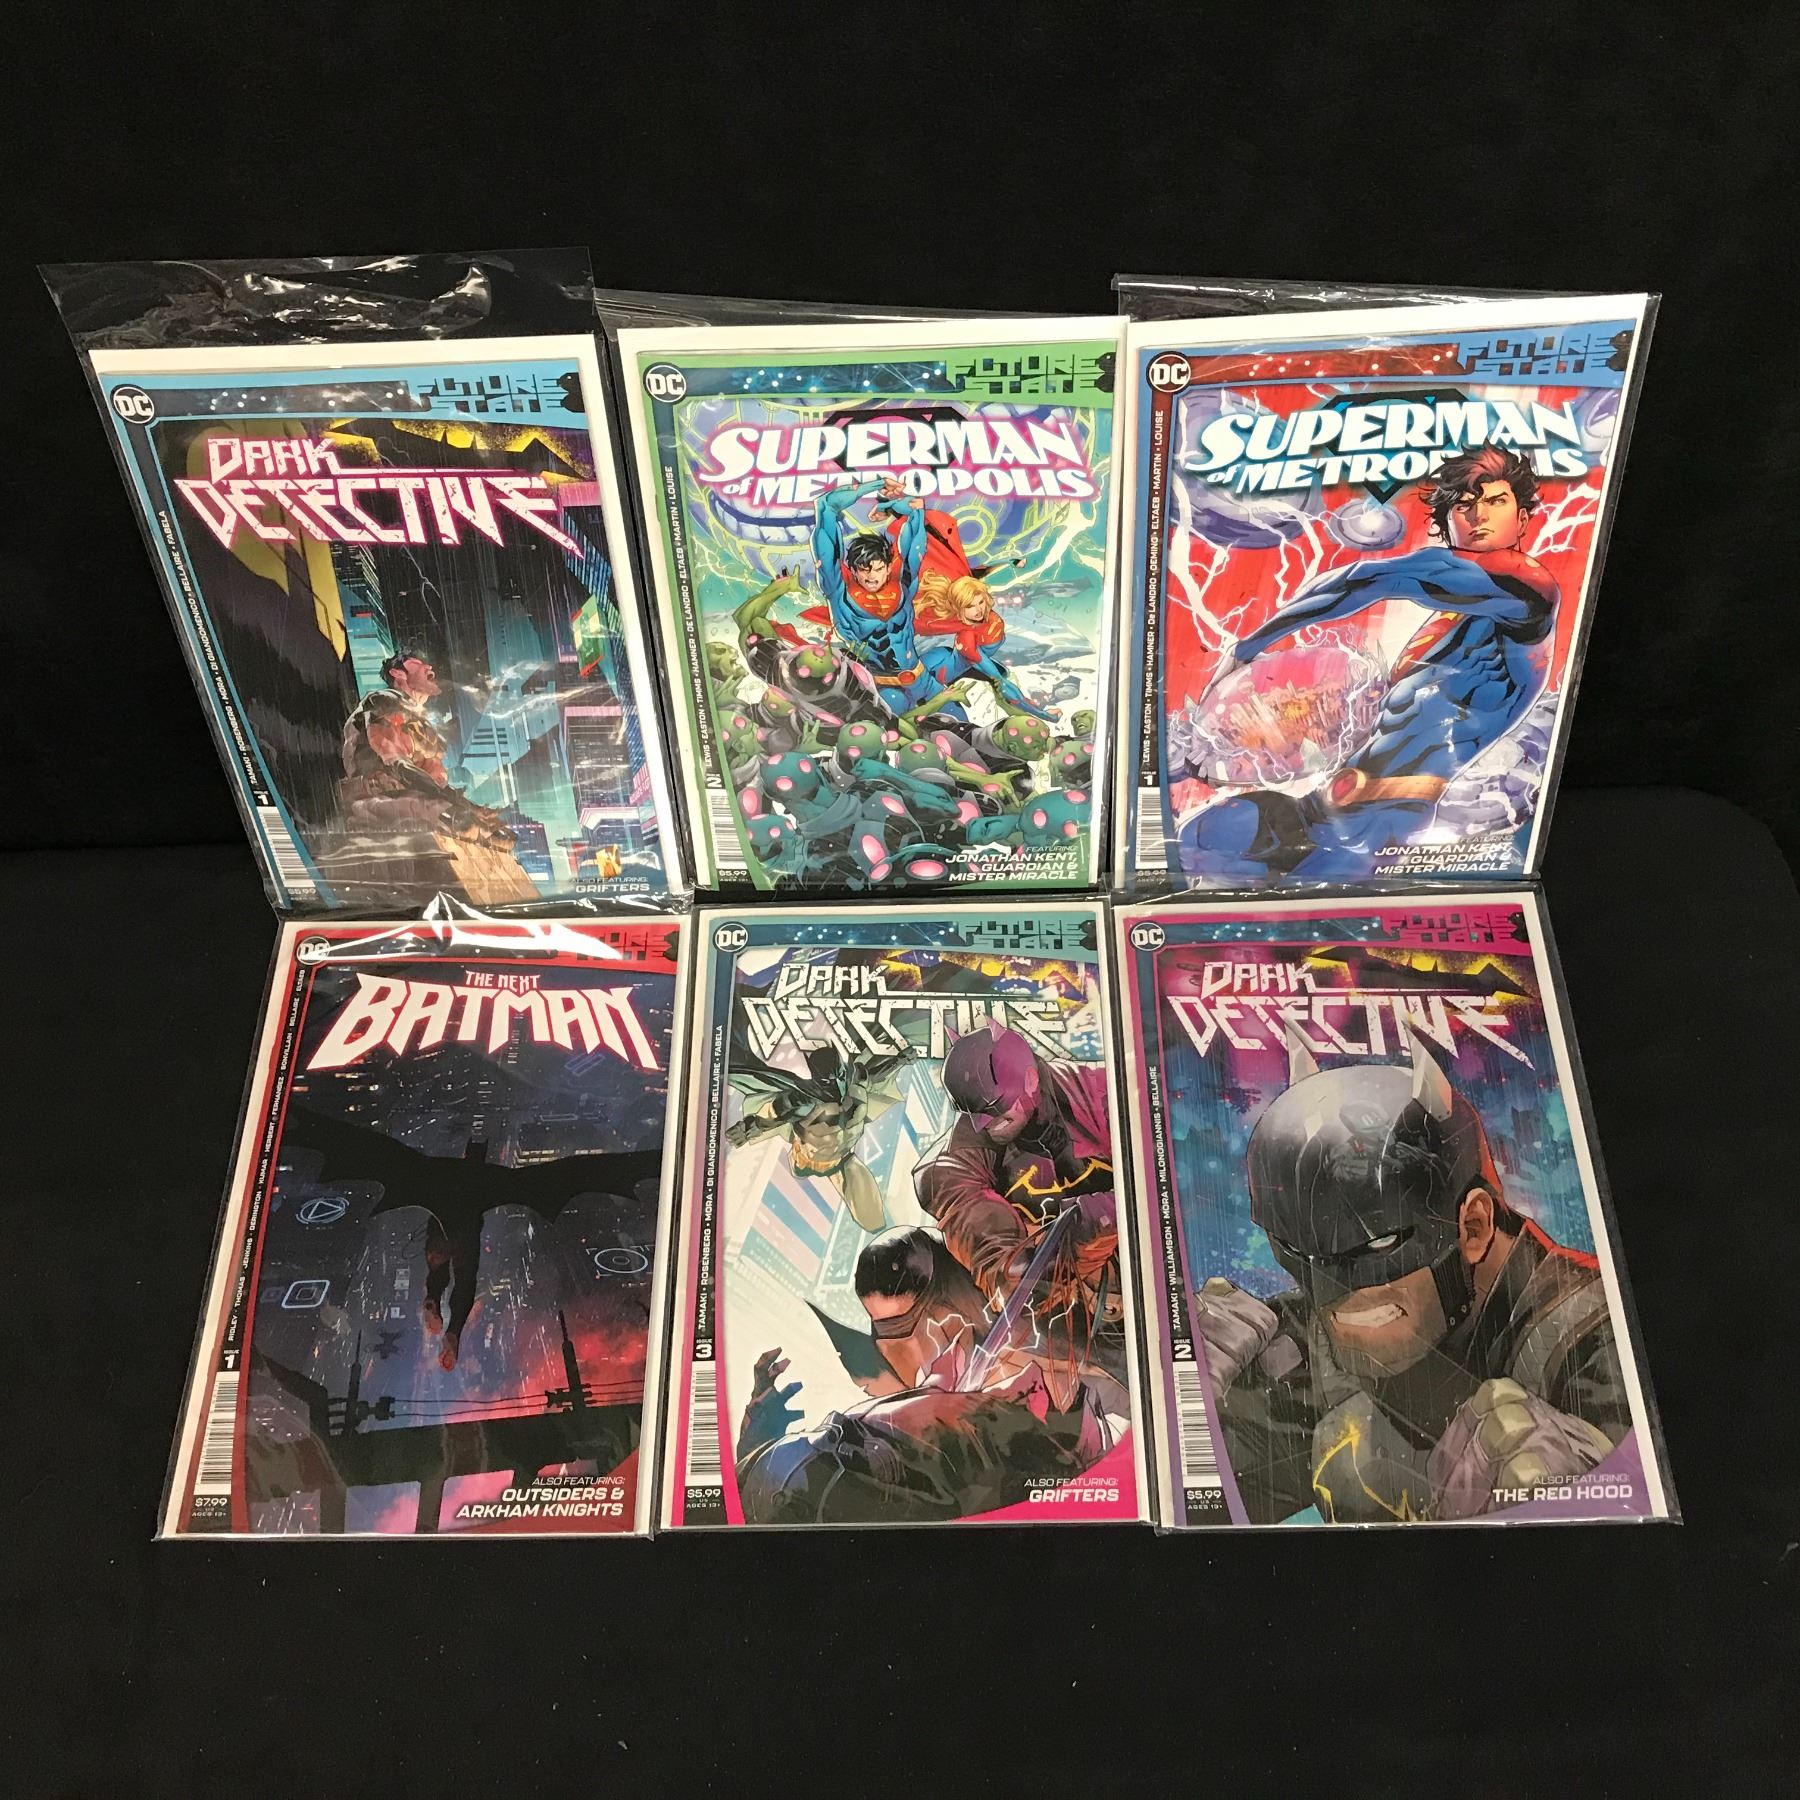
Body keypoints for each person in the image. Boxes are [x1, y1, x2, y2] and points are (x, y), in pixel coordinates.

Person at [1195, 1029, 1631, 1523]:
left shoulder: (1596, 1337)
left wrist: (1582, 1491)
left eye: (1379, 1246)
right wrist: (1177, 1414)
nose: (1334, 1295)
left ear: (1473, 1227)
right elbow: (1214, 1500)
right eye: (1297, 1252)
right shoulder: (1306, 1342)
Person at [1182, 446, 1559, 880]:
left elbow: (1373, 579)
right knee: (1198, 841)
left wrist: (1248, 647)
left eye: (1496, 501)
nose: (1479, 516)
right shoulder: (1451, 628)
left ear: (1522, 519)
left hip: (1380, 823)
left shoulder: (1529, 598)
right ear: (1447, 522)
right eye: (1464, 505)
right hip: (1324, 804)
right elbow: (1354, 580)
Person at [913, 1024, 1125, 1409]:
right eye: (974, 1114)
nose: (985, 1124)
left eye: (995, 1110)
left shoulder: (1102, 1094)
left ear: (1030, 1080)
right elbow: (954, 1192)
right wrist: (1007, 1262)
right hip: (1071, 1310)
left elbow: (1166, 1171)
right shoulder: (964, 1151)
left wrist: (1099, 1215)